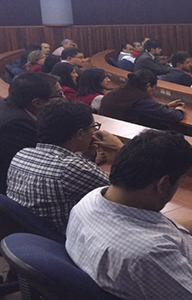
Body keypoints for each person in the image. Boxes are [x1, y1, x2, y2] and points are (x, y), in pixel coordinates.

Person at [66, 129, 192, 300]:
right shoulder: (147, 253)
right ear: (163, 184)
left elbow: (154, 229)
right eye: (179, 182)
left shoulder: (91, 201)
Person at [7, 100, 123, 234]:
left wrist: (86, 154)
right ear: (80, 133)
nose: (94, 132)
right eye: (93, 127)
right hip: (66, 239)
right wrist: (119, 148)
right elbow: (125, 189)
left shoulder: (22, 154)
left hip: (32, 235)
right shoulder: (70, 168)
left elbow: (69, 170)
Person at [0, 73, 64, 194]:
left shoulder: (9, 106)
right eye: (59, 94)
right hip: (3, 193)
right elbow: (47, 166)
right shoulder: (16, 124)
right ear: (37, 102)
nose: (64, 98)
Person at [99, 69, 185, 129]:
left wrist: (166, 106)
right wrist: (179, 110)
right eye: (153, 88)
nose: (153, 92)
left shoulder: (117, 91)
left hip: (112, 130)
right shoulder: (140, 99)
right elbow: (173, 117)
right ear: (148, 86)